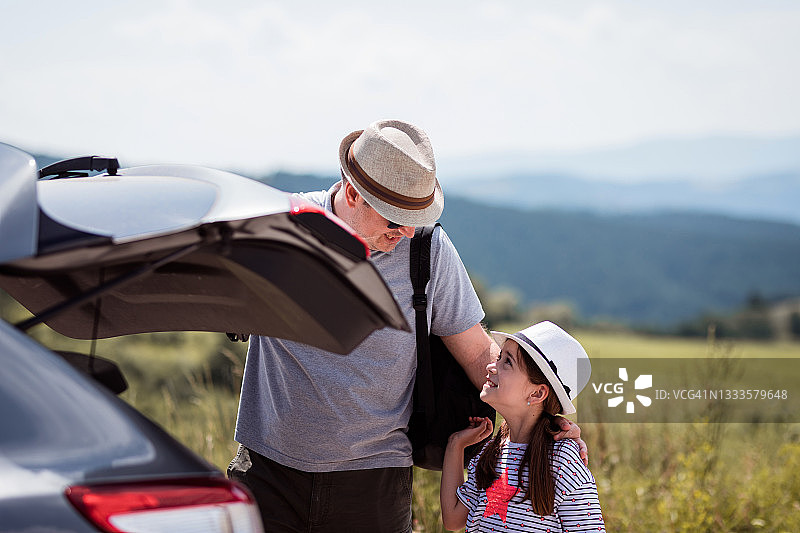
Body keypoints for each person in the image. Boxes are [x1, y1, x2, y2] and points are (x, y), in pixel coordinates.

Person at [228, 119, 586, 532]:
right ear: (351, 194)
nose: (406, 231)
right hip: (268, 473)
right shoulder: (280, 228)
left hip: (374, 485)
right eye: (394, 219)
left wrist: (544, 419)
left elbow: (476, 353)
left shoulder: (428, 251)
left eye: (414, 217)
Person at [440, 321, 605, 532]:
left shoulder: (563, 461)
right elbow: (453, 520)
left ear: (537, 393)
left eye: (507, 362)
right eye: (499, 357)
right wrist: (456, 444)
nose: (491, 366)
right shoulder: (489, 453)